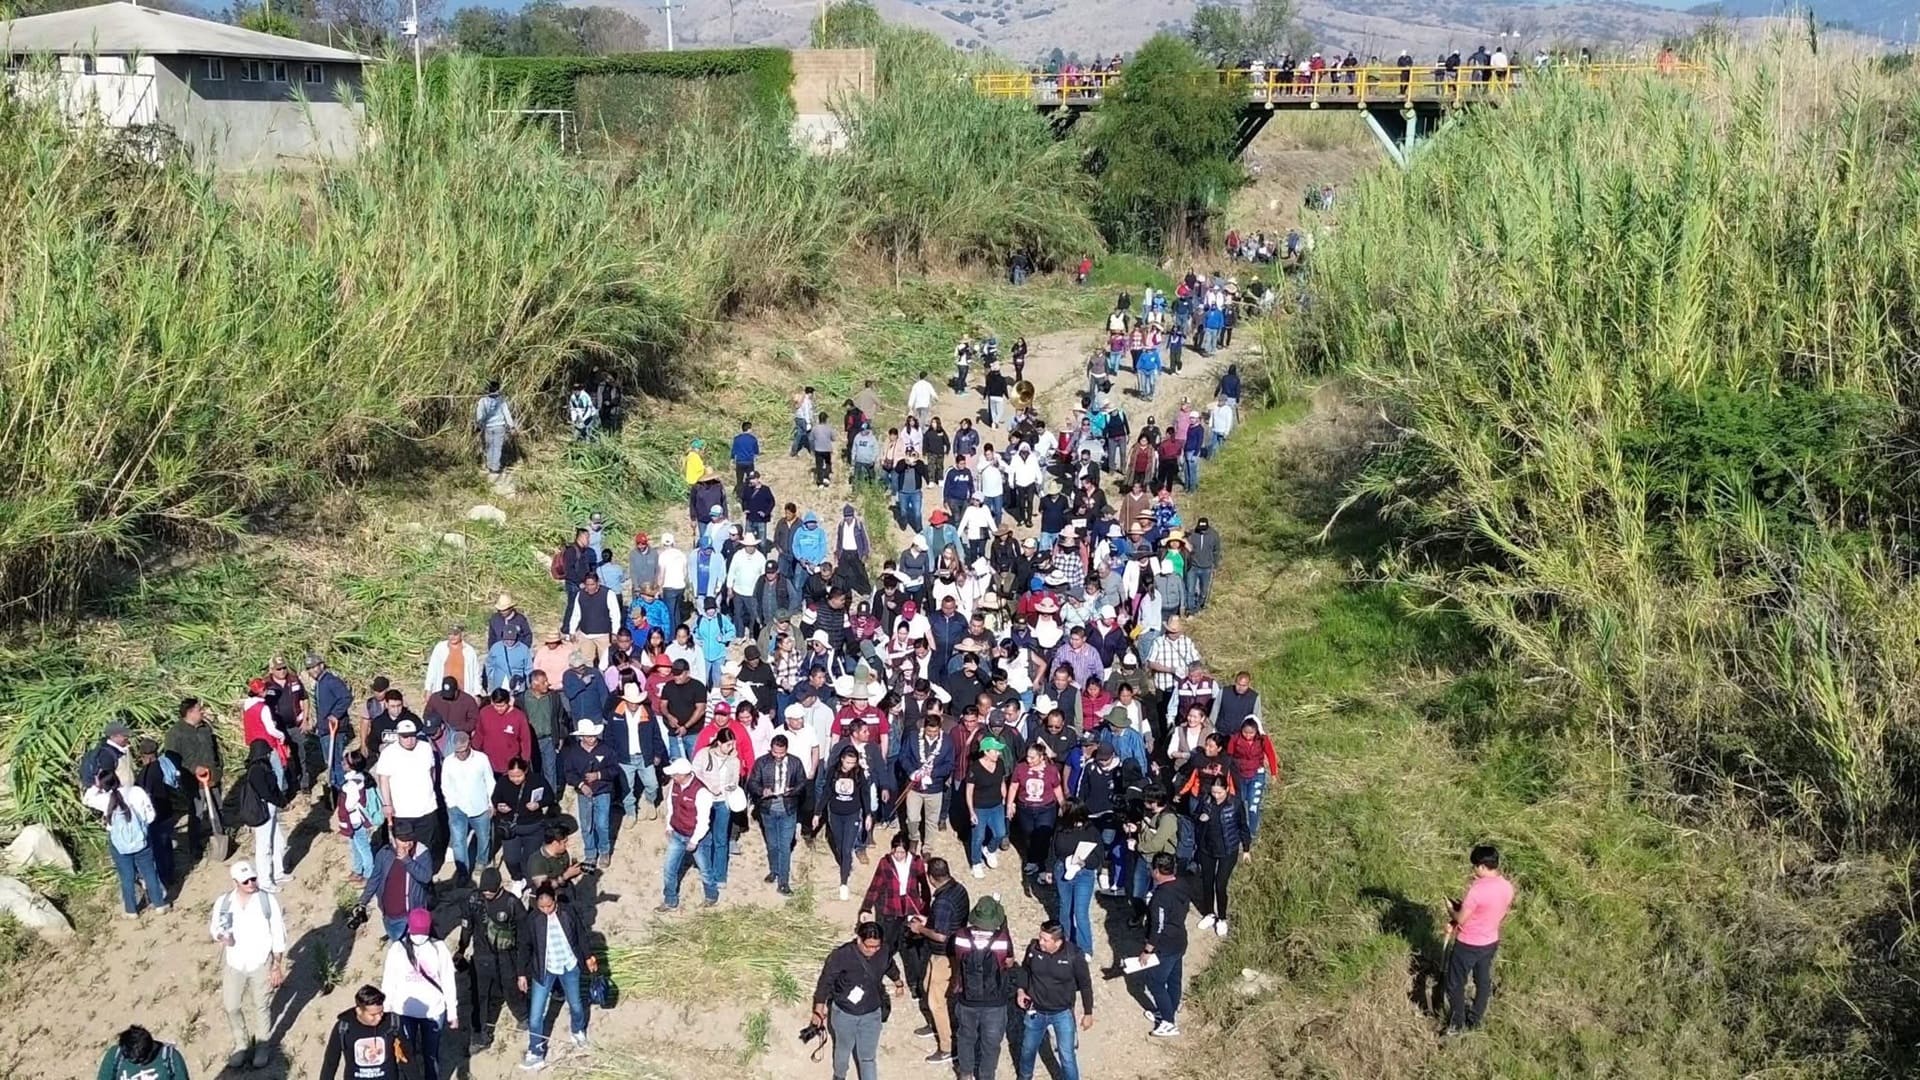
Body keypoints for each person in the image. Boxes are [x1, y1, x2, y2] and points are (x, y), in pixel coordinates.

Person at [910, 897, 1015, 1080]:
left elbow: (956, 956)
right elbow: (1009, 962)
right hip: (994, 1002)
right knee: (990, 1044)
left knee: (966, 1038)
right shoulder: (1002, 939)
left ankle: (965, 1073)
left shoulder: (961, 937)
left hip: (967, 999)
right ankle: (986, 1076)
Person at [209, 860, 286, 1069]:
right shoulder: (224, 902)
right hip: (234, 962)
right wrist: (220, 936)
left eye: (253, 879)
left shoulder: (267, 901)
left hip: (260, 961)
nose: (251, 883)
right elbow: (215, 928)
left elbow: (278, 933)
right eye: (246, 881)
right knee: (231, 1005)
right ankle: (241, 1044)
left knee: (261, 1006)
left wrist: (276, 965)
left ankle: (262, 1046)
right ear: (235, 882)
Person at [811, 922, 904, 1080]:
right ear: (859, 940)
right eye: (869, 946)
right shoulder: (842, 955)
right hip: (844, 1014)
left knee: (868, 1058)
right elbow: (825, 981)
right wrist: (818, 1010)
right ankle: (839, 1076)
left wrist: (898, 982)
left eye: (876, 946)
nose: (873, 950)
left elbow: (889, 965)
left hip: (872, 1013)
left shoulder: (883, 951)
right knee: (843, 1049)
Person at [518, 882, 594, 1068]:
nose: (546, 910)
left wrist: (588, 956)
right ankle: (535, 1050)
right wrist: (521, 973)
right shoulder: (533, 920)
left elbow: (581, 935)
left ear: (555, 900)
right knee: (536, 1014)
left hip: (569, 966)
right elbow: (524, 947)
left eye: (549, 906)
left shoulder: (568, 912)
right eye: (541, 907)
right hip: (545, 969)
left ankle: (577, 1030)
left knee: (576, 1004)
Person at [1445, 844, 1515, 1035]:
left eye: (1475, 866)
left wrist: (1451, 910)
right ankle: (1475, 1019)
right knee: (1482, 981)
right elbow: (1495, 912)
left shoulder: (1477, 890)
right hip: (1490, 941)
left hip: (1468, 944)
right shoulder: (1507, 887)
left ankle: (1457, 1024)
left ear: (1483, 866)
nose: (1474, 870)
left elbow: (1461, 919)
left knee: (1455, 983)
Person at [381, 907, 457, 1080]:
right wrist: (452, 1012)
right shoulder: (438, 948)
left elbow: (388, 983)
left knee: (410, 1056)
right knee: (429, 1056)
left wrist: (386, 1011)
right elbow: (448, 983)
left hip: (408, 1011)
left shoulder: (398, 948)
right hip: (424, 1012)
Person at [1013, 920, 1094, 1080]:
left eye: (1045, 940)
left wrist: (1088, 1013)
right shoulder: (1033, 949)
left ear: (1058, 942)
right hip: (1036, 1010)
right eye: (1040, 937)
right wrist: (1021, 991)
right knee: (1028, 1050)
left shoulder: (1074, 955)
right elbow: (1025, 970)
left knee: (1067, 1056)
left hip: (1062, 1013)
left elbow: (1085, 984)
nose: (1040, 942)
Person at [83, 767, 168, 919]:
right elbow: (151, 816)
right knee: (149, 872)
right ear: (117, 778)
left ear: (102, 785)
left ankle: (131, 910)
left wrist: (96, 786)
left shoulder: (104, 799)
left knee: (126, 877)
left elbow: (87, 799)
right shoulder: (136, 791)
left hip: (119, 844)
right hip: (141, 840)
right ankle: (159, 905)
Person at [456, 868, 524, 1050]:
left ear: (499, 887)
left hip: (506, 955)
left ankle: (523, 1016)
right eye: (484, 890)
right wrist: (461, 949)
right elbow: (467, 928)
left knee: (510, 987)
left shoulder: (511, 903)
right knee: (479, 996)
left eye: (490, 891)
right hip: (482, 955)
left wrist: (522, 966)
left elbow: (523, 934)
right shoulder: (473, 900)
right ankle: (479, 1035)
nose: (486, 894)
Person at [746, 733, 808, 895]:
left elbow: (803, 782)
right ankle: (774, 870)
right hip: (768, 809)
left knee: (785, 846)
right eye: (775, 752)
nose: (778, 756)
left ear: (787, 749)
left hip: (788, 809)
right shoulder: (762, 762)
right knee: (772, 844)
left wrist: (793, 790)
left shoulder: (795, 762)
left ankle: (783, 882)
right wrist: (762, 791)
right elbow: (752, 782)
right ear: (771, 749)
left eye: (782, 752)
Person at [1193, 773, 1251, 938]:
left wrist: (1246, 849)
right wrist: (1200, 817)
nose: (1216, 796)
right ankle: (1209, 913)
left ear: (1226, 789)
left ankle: (1222, 918)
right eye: (1213, 792)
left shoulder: (1236, 803)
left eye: (1219, 792)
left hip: (1228, 849)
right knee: (1207, 882)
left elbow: (1243, 826)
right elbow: (1195, 816)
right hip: (1207, 848)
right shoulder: (1206, 801)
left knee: (1220, 885)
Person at [1138, 852, 1190, 1036]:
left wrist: (1147, 950)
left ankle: (1168, 1022)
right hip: (1180, 940)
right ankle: (1169, 1010)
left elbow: (1157, 927)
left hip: (1165, 946)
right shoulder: (1182, 884)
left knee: (1155, 982)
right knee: (1174, 980)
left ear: (1157, 871)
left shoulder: (1160, 896)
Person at [321, 985, 420, 1080]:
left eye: (381, 1012)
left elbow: (407, 1058)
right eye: (373, 1015)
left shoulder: (393, 1023)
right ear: (359, 1011)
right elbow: (330, 1062)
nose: (379, 1017)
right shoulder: (343, 1027)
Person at [165, 697, 223, 860]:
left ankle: (220, 835)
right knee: (197, 813)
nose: (202, 712)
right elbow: (172, 759)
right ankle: (195, 847)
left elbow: (215, 750)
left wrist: (219, 768)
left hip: (212, 776)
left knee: (218, 808)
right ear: (190, 712)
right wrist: (192, 768)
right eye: (199, 709)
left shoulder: (205, 728)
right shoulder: (176, 733)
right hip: (193, 781)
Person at [357, 821, 433, 941]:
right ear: (394, 839)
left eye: (410, 839)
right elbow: (374, 880)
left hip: (410, 916)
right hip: (388, 915)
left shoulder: (421, 853)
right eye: (403, 840)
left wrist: (407, 860)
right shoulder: (384, 853)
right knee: (396, 943)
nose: (408, 843)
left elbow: (426, 877)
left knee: (408, 948)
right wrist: (363, 902)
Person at [657, 758, 717, 911]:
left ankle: (711, 896)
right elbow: (671, 806)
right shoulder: (675, 784)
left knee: (705, 870)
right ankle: (670, 900)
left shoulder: (702, 792)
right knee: (669, 869)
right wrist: (669, 825)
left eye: (674, 774)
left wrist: (694, 840)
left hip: (697, 838)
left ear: (683, 775)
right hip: (677, 834)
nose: (672, 777)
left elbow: (703, 820)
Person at [373, 718, 439, 857]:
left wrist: (429, 790)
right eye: (405, 736)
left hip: (427, 809)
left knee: (426, 849)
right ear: (398, 736)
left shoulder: (425, 747)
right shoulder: (389, 753)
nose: (409, 740)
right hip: (402, 812)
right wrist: (387, 804)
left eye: (412, 735)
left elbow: (432, 771)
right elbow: (383, 779)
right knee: (404, 850)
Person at [821, 745, 876, 902]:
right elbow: (826, 792)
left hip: (852, 814)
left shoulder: (859, 773)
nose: (850, 765)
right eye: (848, 762)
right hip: (835, 814)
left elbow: (865, 794)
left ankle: (844, 882)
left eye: (853, 762)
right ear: (842, 759)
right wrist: (818, 813)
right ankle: (845, 864)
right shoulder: (833, 771)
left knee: (847, 848)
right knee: (839, 846)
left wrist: (868, 815)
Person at [561, 719, 618, 870]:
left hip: (602, 791)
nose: (592, 739)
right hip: (583, 794)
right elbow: (568, 773)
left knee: (602, 824)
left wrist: (599, 775)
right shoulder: (573, 753)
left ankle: (604, 851)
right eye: (588, 736)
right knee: (586, 825)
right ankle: (590, 853)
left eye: (593, 735)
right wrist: (581, 784)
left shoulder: (606, 749)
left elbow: (614, 769)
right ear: (581, 737)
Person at [1049, 803, 1106, 955]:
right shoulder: (1060, 827)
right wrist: (1049, 869)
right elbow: (1053, 849)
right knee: (1065, 909)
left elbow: (1099, 856)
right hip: (1062, 870)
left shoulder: (1091, 831)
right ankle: (1065, 942)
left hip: (1084, 874)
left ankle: (1085, 949)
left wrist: (1085, 862)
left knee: (1080, 912)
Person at [439, 731, 494, 886]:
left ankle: (481, 862)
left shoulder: (481, 759)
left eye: (463, 750)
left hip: (480, 807)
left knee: (483, 838)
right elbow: (445, 785)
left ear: (469, 745)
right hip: (457, 809)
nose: (461, 754)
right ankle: (463, 872)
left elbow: (490, 781)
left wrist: (491, 803)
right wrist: (451, 804)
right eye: (457, 751)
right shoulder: (449, 762)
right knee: (458, 842)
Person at [965, 737, 1012, 878]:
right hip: (980, 807)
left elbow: (1002, 783)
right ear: (986, 751)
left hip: (997, 805)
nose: (998, 753)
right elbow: (969, 791)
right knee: (978, 837)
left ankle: (990, 850)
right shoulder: (975, 768)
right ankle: (976, 863)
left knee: (1000, 833)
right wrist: (971, 811)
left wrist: (1006, 800)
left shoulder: (1000, 764)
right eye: (995, 750)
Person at [95, 1025, 191, 1080]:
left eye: (142, 1060)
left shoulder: (169, 1057)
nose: (139, 1064)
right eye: (132, 1060)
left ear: (152, 1047)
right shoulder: (116, 1056)